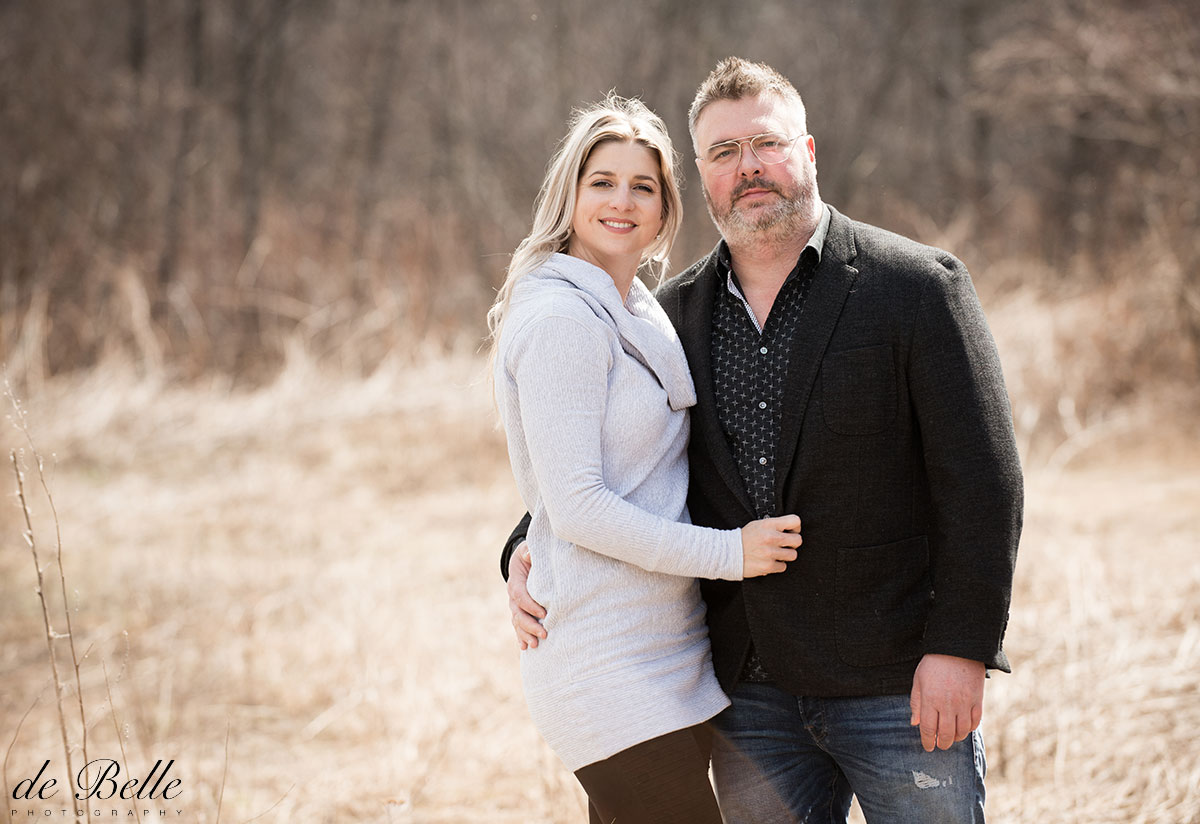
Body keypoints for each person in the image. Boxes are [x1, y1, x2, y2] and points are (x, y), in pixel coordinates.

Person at [503, 59, 1023, 823]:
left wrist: (962, 646)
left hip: (897, 684)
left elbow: (982, 481)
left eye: (766, 144)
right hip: (748, 695)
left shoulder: (914, 288)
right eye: (723, 152)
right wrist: (525, 545)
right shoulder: (671, 316)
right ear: (701, 179)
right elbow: (618, 458)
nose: (747, 166)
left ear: (806, 151)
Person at [488, 93, 803, 824]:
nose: (622, 202)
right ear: (569, 195)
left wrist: (524, 548)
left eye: (643, 186)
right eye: (602, 182)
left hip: (669, 650)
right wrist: (732, 554)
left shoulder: (639, 310)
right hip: (603, 661)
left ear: (665, 209)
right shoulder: (563, 318)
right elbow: (576, 505)